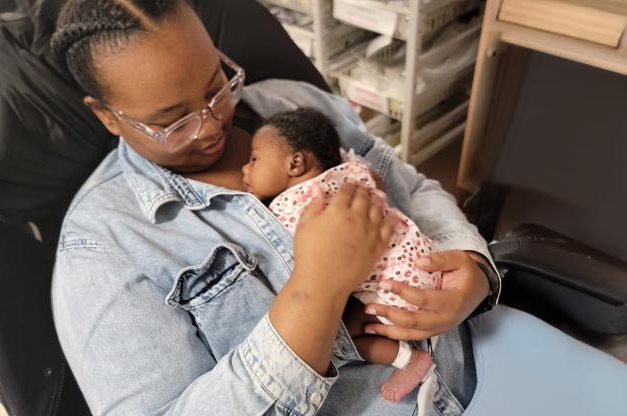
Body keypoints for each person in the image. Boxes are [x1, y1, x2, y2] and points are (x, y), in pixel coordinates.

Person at [49, 0, 500, 414]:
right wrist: (315, 291)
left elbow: (414, 188)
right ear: (107, 115)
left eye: (215, 87)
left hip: (482, 365)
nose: (210, 127)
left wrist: (471, 263)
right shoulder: (100, 246)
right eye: (174, 121)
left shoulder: (293, 104)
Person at [241, 108, 442, 403]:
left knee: (338, 335)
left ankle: (409, 360)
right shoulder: (349, 169)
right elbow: (377, 181)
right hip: (425, 259)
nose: (245, 169)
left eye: (254, 159)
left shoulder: (290, 208)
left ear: (295, 163)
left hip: (395, 293)